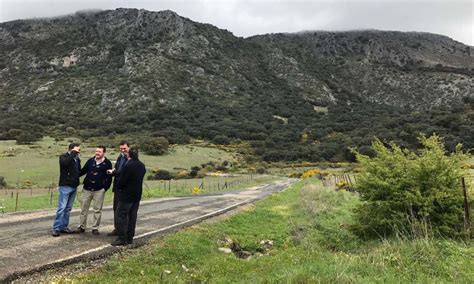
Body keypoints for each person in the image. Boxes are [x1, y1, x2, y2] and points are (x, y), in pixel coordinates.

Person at [111, 147, 146, 246]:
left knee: (120, 215)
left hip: (126, 195)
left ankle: (122, 238)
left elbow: (122, 180)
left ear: (128, 154)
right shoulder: (142, 166)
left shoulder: (128, 165)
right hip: (137, 194)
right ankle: (130, 237)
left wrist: (119, 187)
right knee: (132, 216)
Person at [75, 146, 113, 235]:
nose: (97, 153)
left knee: (97, 210)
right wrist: (73, 176)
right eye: (96, 151)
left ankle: (95, 228)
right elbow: (83, 171)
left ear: (104, 152)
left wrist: (105, 188)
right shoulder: (90, 161)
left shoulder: (107, 163)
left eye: (99, 152)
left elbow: (109, 177)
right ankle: (81, 226)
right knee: (83, 209)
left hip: (99, 190)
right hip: (87, 189)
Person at [52, 143, 81, 237]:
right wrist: (73, 154)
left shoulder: (77, 159)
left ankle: (64, 226)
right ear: (71, 150)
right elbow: (65, 163)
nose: (78, 152)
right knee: (62, 208)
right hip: (65, 186)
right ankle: (56, 228)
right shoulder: (63, 157)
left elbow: (78, 171)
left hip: (73, 186)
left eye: (79, 150)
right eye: (77, 150)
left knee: (68, 208)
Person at [106, 140, 130, 236]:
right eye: (121, 148)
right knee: (116, 208)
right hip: (117, 186)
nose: (123, 150)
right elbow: (116, 168)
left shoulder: (129, 158)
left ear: (129, 147)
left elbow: (123, 171)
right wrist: (112, 171)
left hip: (125, 188)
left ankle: (124, 231)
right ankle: (117, 228)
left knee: (123, 211)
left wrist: (114, 172)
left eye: (124, 148)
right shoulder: (120, 157)